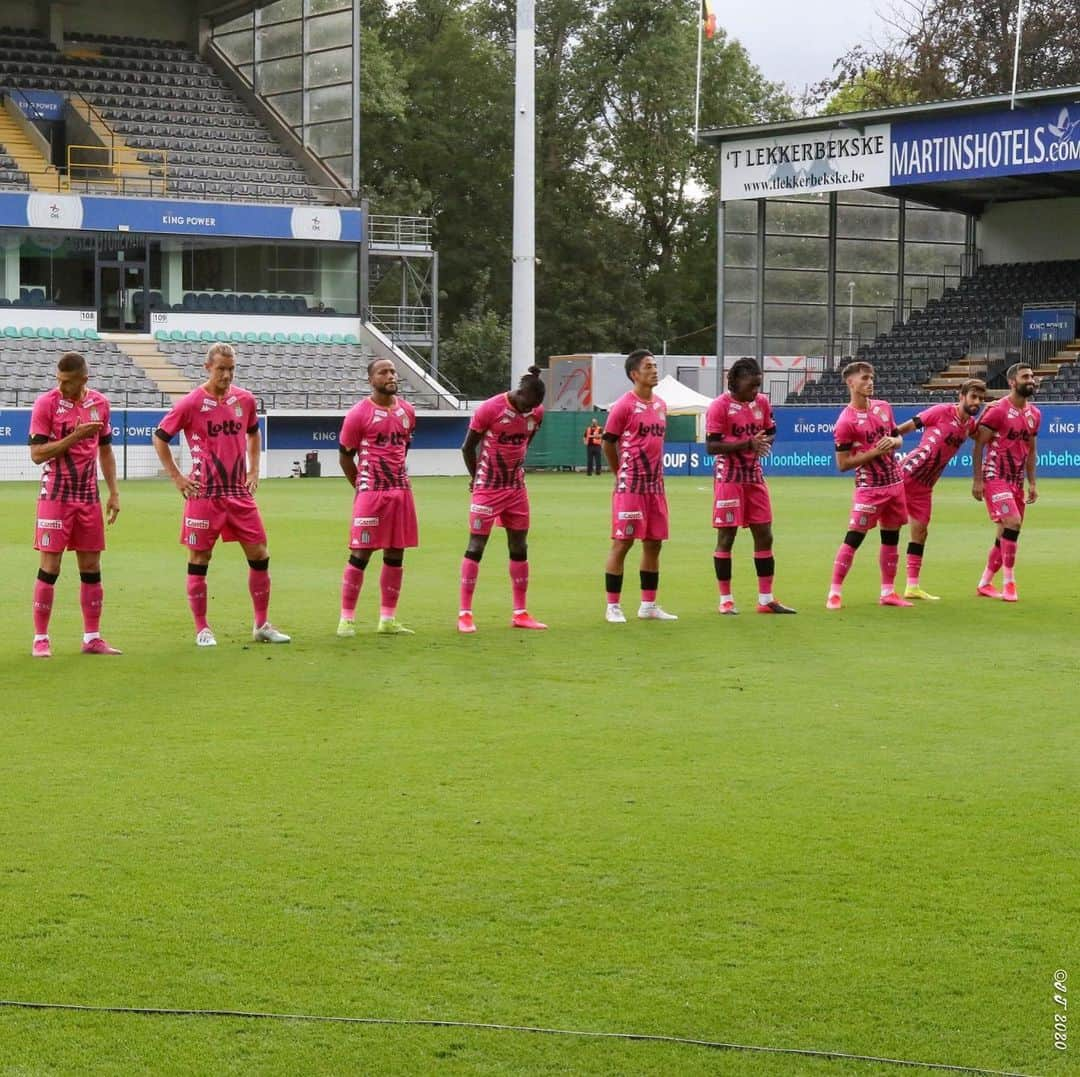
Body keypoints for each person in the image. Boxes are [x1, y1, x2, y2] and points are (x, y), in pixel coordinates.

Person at [153, 342, 290, 647]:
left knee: (260, 554)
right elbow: (160, 437)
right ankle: (202, 628)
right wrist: (177, 476)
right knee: (200, 558)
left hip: (238, 493)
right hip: (204, 494)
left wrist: (254, 470)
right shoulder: (190, 403)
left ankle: (261, 624)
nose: (227, 375)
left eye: (231, 369)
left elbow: (254, 433)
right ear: (207, 368)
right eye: (221, 369)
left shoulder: (245, 400)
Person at [28, 351, 121, 657]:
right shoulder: (46, 404)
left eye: (67, 382)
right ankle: (41, 638)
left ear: (84, 378)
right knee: (50, 566)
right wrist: (75, 437)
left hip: (88, 497)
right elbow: (37, 454)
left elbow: (105, 451)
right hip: (55, 495)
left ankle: (92, 637)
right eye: (59, 380)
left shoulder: (100, 404)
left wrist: (113, 492)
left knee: (92, 566)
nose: (61, 386)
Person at [458, 366, 547, 633]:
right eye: (526, 405)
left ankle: (520, 612)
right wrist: (476, 478)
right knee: (476, 546)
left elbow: (525, 442)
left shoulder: (535, 412)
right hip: (488, 487)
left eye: (533, 408)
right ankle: (465, 614)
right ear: (519, 393)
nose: (527, 412)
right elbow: (467, 446)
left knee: (519, 546)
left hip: (516, 488)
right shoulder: (490, 408)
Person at [705, 357, 795, 615]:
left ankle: (766, 600)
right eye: (752, 385)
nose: (756, 391)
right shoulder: (719, 406)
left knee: (765, 533)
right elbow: (711, 447)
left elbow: (771, 430)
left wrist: (765, 442)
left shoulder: (762, 403)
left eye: (758, 385)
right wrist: (747, 444)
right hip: (729, 477)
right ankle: (726, 600)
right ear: (735, 381)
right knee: (727, 536)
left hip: (754, 475)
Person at [337, 357, 418, 635]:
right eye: (384, 372)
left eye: (393, 371)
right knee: (361, 553)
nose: (391, 376)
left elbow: (403, 449)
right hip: (372, 492)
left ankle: (388, 619)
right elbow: (345, 458)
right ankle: (346, 619)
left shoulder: (408, 411)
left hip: (401, 491)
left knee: (396, 553)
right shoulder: (358, 414)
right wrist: (361, 487)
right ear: (371, 380)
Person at [826, 361, 910, 610]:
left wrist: (894, 442)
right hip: (869, 488)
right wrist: (874, 451)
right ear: (850, 383)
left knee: (891, 538)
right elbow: (843, 464)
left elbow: (898, 437)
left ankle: (888, 592)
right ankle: (834, 592)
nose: (870, 382)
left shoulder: (884, 407)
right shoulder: (846, 421)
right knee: (853, 539)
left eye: (871, 377)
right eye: (864, 378)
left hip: (895, 483)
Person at [602, 349, 677, 623]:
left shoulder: (660, 405)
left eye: (655, 365)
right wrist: (618, 471)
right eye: (648, 366)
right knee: (623, 543)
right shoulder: (623, 405)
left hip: (655, 486)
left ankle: (648, 605)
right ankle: (613, 606)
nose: (654, 370)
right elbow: (608, 442)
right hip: (631, 485)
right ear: (635, 374)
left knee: (654, 544)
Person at [896, 379, 987, 600]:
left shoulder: (969, 426)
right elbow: (904, 428)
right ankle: (840, 583)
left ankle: (912, 587)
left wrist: (995, 408)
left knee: (920, 532)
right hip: (906, 475)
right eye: (973, 397)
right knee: (876, 526)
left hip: (925, 486)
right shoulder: (940, 411)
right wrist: (884, 443)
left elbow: (982, 434)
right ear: (961, 396)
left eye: (981, 399)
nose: (977, 402)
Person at [972, 363, 1040, 602]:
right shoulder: (998, 410)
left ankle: (984, 583)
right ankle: (1009, 583)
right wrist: (978, 480)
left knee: (1006, 531)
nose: (1030, 380)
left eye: (1031, 376)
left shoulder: (1035, 414)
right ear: (1012, 382)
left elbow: (1031, 451)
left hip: (1016, 480)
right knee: (1013, 521)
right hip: (994, 475)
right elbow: (979, 444)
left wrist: (1032, 483)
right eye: (1025, 377)